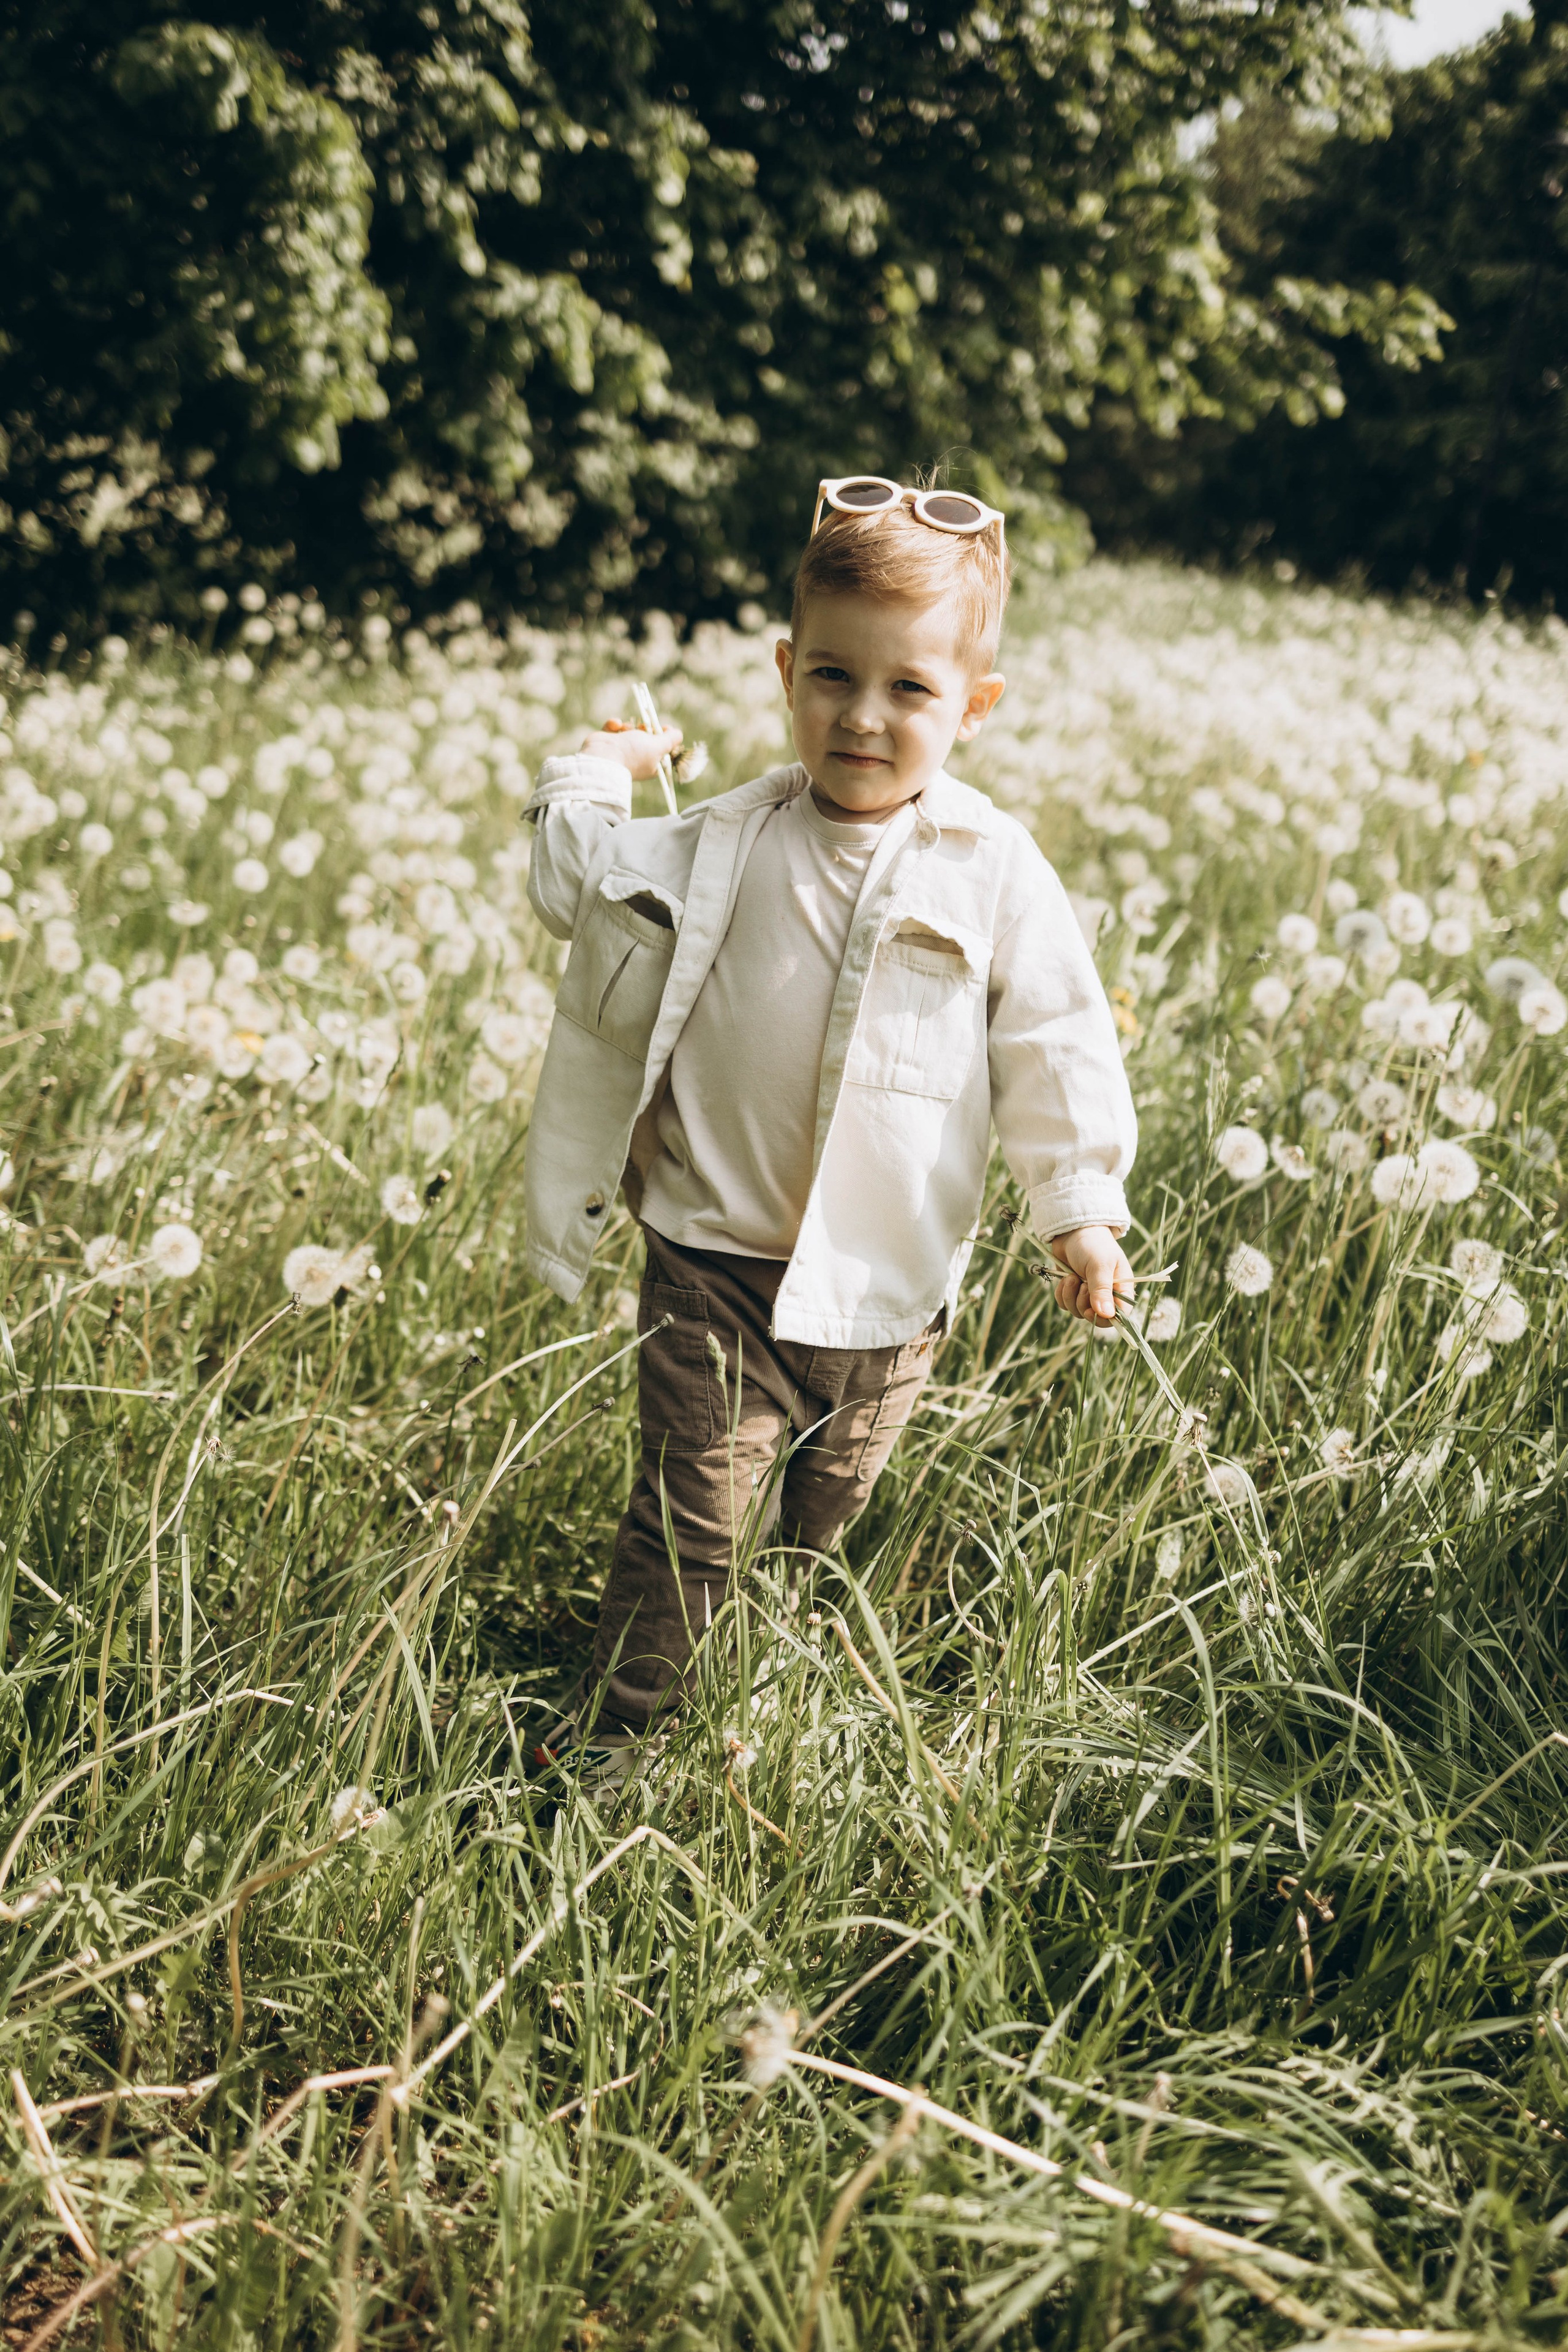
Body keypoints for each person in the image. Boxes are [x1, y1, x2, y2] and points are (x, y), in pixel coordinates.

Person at [521, 474, 1137, 1782]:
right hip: (713, 1271)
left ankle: (770, 1703)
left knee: (818, 1524)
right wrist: (596, 765)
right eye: (832, 680)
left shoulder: (995, 870)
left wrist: (1078, 1208)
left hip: (887, 1300)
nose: (862, 719)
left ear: (973, 703)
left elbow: (1054, 1041)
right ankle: (621, 1751)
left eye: (908, 690)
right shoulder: (721, 842)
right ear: (786, 672)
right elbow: (578, 876)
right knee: (692, 1526)